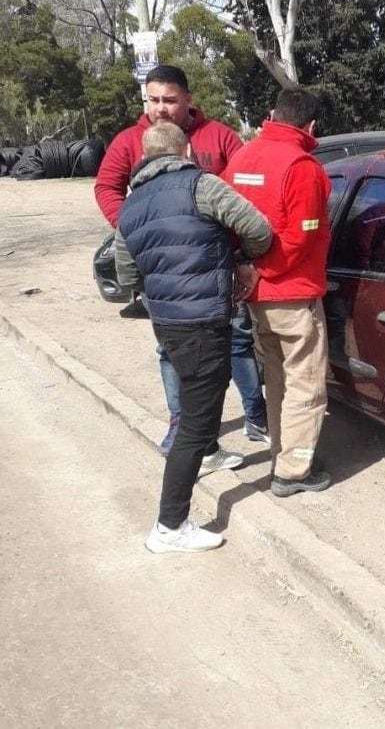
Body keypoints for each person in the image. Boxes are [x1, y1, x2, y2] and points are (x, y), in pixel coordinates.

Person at [94, 65, 269, 466]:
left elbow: (245, 191)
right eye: (153, 100)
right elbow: (106, 187)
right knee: (170, 351)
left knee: (239, 342)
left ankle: (256, 416)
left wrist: (241, 256)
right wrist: (135, 229)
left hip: (219, 267)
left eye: (169, 100)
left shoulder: (220, 136)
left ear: (188, 99)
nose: (161, 109)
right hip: (164, 273)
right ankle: (183, 423)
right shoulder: (128, 141)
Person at [115, 121, 272, 552]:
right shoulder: (200, 184)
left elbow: (127, 274)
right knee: (196, 420)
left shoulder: (130, 208)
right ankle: (169, 526)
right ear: (185, 149)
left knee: (199, 395)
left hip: (167, 322)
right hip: (204, 319)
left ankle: (207, 455)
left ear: (143, 157)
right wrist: (240, 259)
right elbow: (258, 228)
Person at [222, 88, 332, 497]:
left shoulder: (242, 158)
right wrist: (260, 270)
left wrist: (245, 269)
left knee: (279, 381)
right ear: (311, 125)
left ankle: (281, 457)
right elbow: (299, 239)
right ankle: (292, 473)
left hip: (257, 297)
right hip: (291, 292)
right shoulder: (302, 167)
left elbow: (227, 220)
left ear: (273, 114)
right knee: (305, 383)